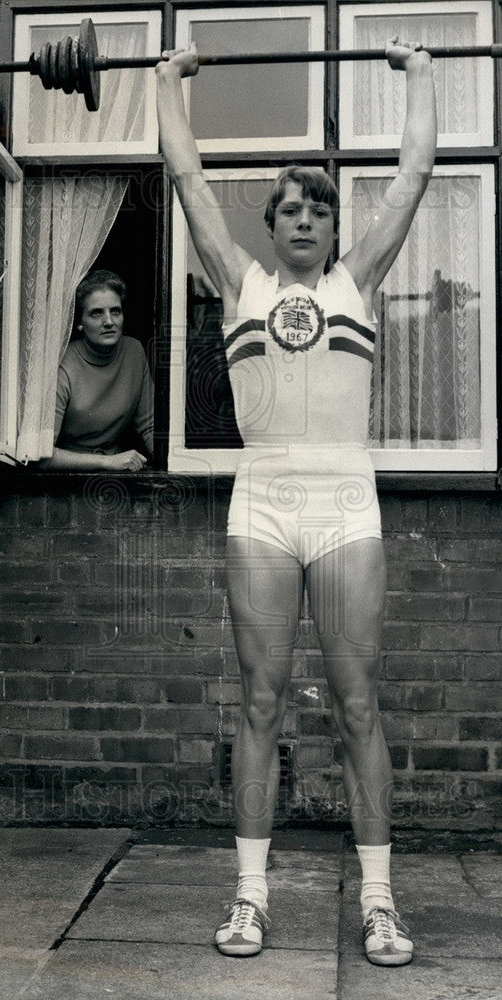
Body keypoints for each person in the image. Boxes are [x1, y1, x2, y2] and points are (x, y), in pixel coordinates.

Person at [156, 36, 436, 965]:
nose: (307, 220)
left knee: (357, 704)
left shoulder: (357, 281)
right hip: (264, 498)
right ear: (270, 225)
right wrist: (166, 85)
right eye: (290, 209)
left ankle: (381, 904)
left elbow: (411, 174)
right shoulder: (240, 285)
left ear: (331, 223)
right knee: (260, 703)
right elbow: (190, 182)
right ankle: (248, 896)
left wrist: (420, 77)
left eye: (319, 208)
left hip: (345, 499)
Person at [45, 269, 153, 472]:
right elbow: (41, 455)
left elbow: (150, 426)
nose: (109, 321)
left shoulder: (134, 352)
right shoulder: (63, 364)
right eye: (96, 313)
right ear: (79, 323)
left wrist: (178, 465)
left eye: (115, 311)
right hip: (66, 477)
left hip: (117, 478)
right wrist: (109, 462)